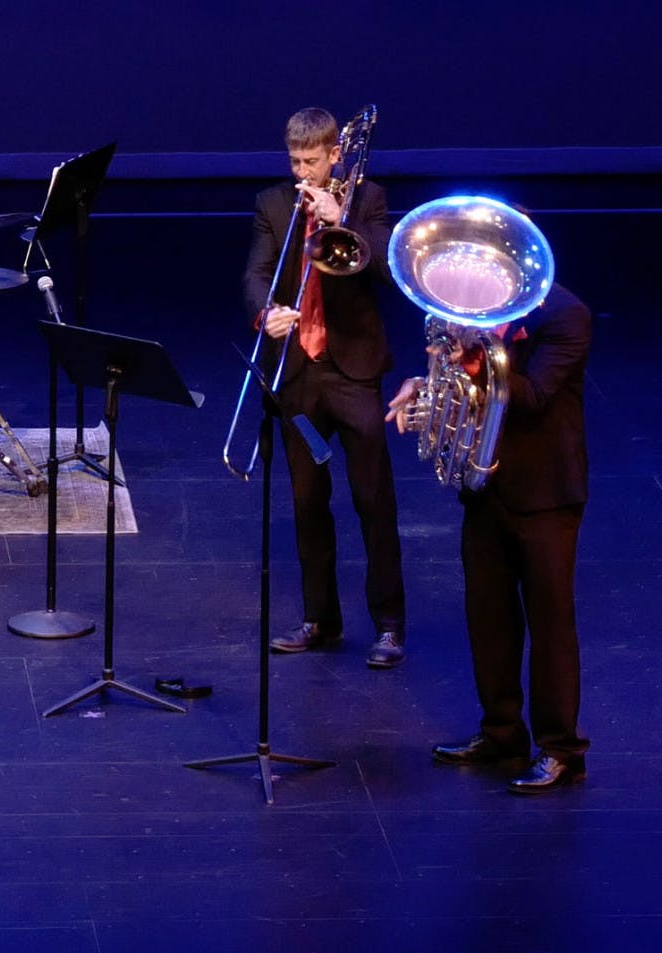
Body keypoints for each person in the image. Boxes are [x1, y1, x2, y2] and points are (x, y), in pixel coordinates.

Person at [391, 284, 594, 793]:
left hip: (546, 493)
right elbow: (456, 380)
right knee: (489, 618)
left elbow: (533, 396)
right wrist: (425, 387)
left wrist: (478, 365)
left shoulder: (567, 316)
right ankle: (501, 731)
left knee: (549, 624)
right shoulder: (471, 314)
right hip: (485, 486)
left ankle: (560, 749)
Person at [242, 106, 407, 669]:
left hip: (353, 371)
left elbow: (386, 269)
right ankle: (321, 619)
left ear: (336, 154)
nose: (302, 174)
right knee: (308, 503)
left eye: (312, 161)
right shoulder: (273, 205)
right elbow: (257, 273)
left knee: (372, 502)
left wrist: (340, 218)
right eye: (295, 162)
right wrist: (266, 313)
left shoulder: (369, 200)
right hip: (300, 370)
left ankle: (388, 625)